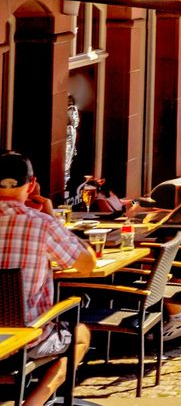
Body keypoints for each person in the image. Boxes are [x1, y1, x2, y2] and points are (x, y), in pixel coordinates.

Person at [0, 153, 95, 406]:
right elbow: (87, 265)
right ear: (31, 185)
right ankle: (34, 402)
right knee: (81, 334)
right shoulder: (42, 224)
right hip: (23, 338)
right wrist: (52, 218)